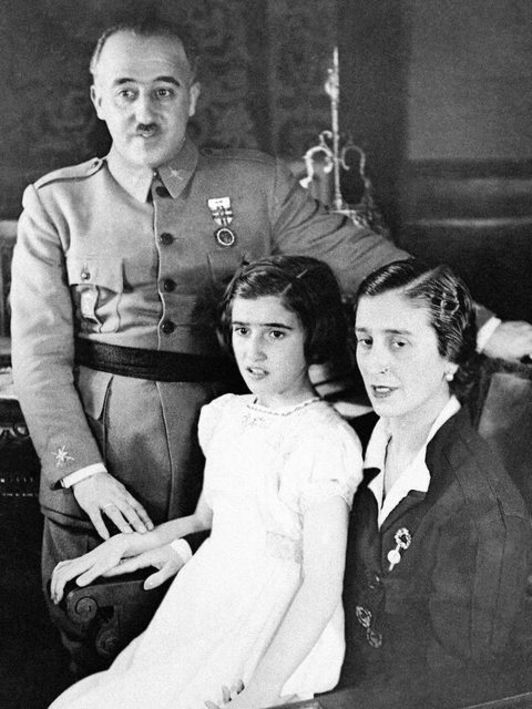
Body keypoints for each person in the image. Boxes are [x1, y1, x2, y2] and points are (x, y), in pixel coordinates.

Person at [9, 16, 532, 673]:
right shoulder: (57, 204)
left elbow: (363, 259)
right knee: (99, 648)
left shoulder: (254, 185)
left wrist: (485, 328)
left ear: (193, 97)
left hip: (229, 462)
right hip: (105, 465)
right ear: (97, 100)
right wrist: (84, 475)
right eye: (126, 92)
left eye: (164, 91)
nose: (144, 112)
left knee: (225, 653)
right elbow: (40, 360)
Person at [48, 255, 363, 709]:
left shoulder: (324, 440)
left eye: (276, 333)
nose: (253, 351)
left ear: (314, 336)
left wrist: (260, 692)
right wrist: (129, 544)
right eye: (242, 330)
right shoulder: (227, 416)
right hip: (207, 596)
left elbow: (321, 586)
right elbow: (205, 519)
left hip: (273, 623)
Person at [338, 259, 531, 689]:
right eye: (366, 340)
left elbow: (454, 686)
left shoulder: (480, 510)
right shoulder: (350, 447)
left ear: (451, 356)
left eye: (399, 343)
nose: (375, 363)